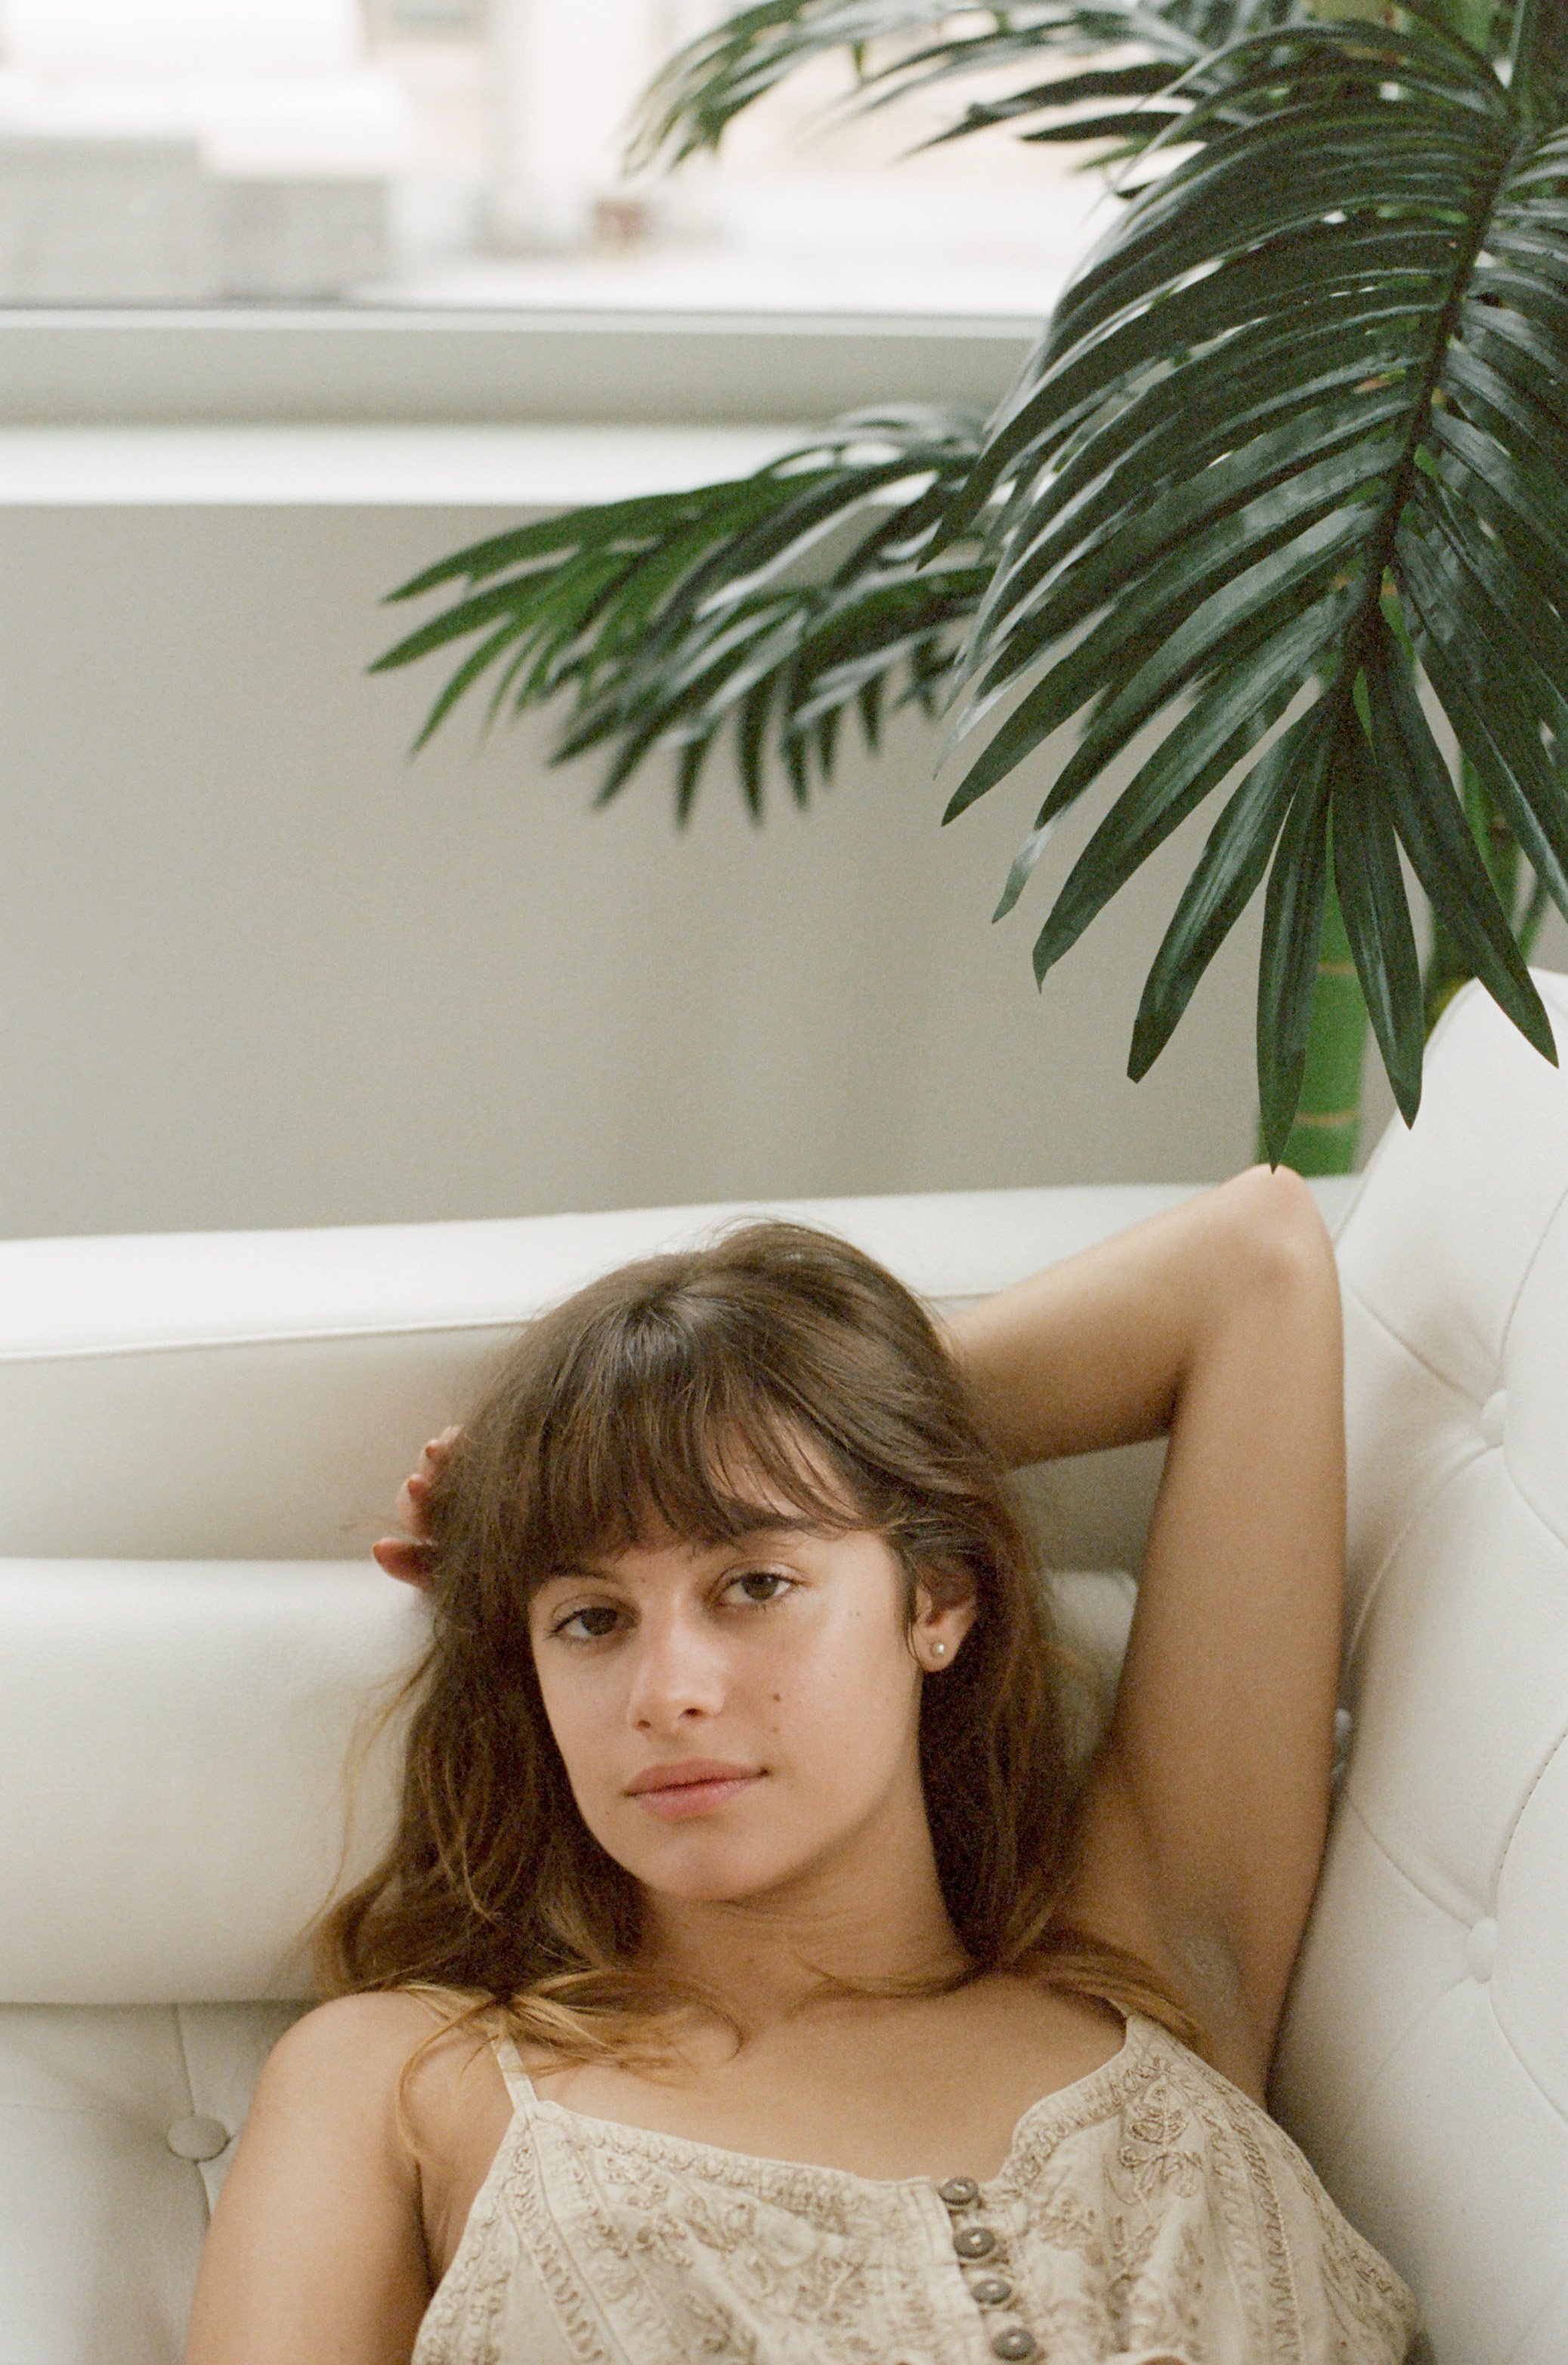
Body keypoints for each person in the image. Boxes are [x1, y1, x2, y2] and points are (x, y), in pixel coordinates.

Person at [184, 1170, 1421, 2365]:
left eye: (756, 1582)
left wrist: (792, 1432)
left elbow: (1251, 1264)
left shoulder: (1156, 1959)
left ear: (935, 1598)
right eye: (593, 1618)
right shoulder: (403, 2085)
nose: (668, 1690)